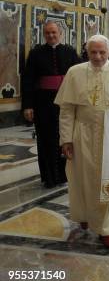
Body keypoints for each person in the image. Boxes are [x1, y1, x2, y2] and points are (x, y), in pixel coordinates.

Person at [55, 35, 109, 248]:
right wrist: (66, 139)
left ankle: (107, 230)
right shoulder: (75, 72)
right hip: (82, 133)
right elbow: (66, 110)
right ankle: (84, 214)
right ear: (87, 52)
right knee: (81, 177)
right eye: (94, 52)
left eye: (102, 52)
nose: (98, 56)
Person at [21, 21, 80, 188]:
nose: (51, 36)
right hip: (43, 103)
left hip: (66, 102)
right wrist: (28, 105)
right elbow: (28, 81)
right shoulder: (35, 53)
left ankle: (64, 175)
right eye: (47, 33)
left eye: (54, 32)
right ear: (44, 34)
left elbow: (78, 77)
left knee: (65, 137)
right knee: (45, 140)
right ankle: (49, 177)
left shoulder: (69, 52)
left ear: (60, 33)